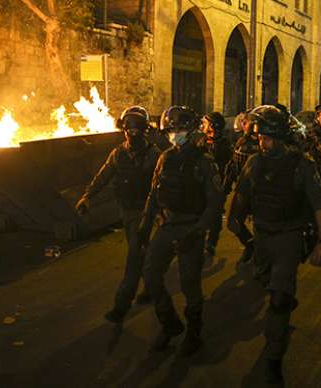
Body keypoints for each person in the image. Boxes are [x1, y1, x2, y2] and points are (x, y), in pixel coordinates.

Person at [227, 106, 321, 385]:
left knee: (278, 298)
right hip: (262, 236)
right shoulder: (254, 163)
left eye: (270, 138)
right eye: (261, 138)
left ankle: (273, 357)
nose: (264, 143)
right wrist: (237, 226)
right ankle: (281, 298)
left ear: (283, 138)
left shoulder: (302, 164)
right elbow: (241, 197)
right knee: (267, 282)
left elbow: (319, 204)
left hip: (289, 236)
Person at [138, 105, 224, 356]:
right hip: (166, 225)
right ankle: (170, 324)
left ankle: (194, 333)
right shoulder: (165, 158)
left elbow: (215, 201)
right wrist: (145, 225)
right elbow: (154, 193)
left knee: (189, 284)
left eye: (180, 129)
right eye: (171, 131)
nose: (175, 134)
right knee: (151, 275)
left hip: (191, 227)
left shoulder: (204, 161)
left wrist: (199, 230)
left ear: (192, 130)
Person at [75, 106, 160, 324]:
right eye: (128, 131)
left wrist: (161, 212)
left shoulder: (153, 155)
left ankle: (122, 306)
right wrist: (87, 197)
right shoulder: (118, 153)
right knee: (144, 255)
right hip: (127, 211)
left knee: (134, 258)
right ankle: (153, 288)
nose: (131, 136)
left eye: (136, 131)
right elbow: (103, 176)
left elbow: (163, 186)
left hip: (145, 212)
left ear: (144, 131)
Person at [224, 107, 261, 266]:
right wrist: (226, 187)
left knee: (261, 226)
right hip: (243, 189)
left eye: (246, 122)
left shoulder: (262, 143)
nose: (243, 124)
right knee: (233, 222)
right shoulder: (242, 141)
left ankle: (261, 258)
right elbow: (234, 165)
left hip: (260, 191)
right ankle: (250, 245)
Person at [196, 111, 233, 256]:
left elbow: (228, 167)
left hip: (217, 185)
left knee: (215, 214)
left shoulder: (224, 145)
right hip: (201, 184)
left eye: (205, 123)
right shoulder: (202, 141)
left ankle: (211, 242)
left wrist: (225, 186)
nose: (203, 126)